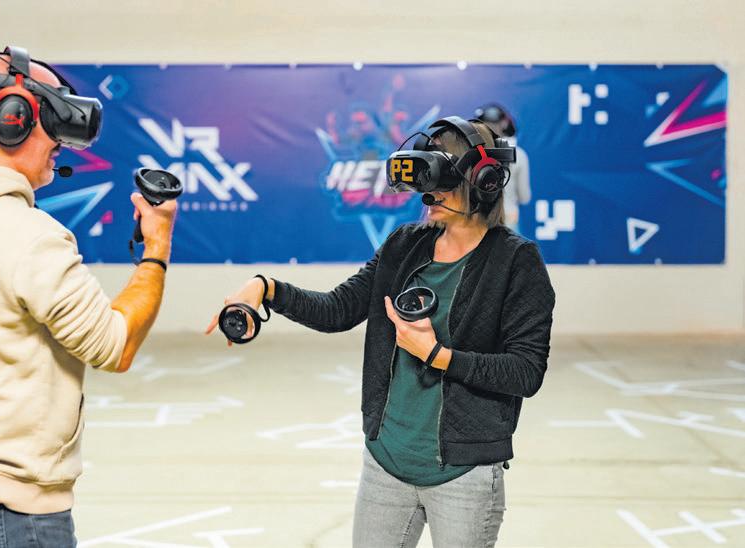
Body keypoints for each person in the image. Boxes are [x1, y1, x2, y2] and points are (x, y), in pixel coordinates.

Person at [207, 117, 554, 547]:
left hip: (464, 476)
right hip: (385, 465)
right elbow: (337, 309)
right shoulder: (404, 245)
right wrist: (267, 288)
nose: (428, 196)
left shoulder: (517, 262)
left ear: (483, 181)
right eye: (424, 183)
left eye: (441, 185)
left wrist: (438, 355)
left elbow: (525, 372)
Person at [0, 47, 177, 547]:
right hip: (5, 508)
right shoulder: (27, 235)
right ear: (13, 118)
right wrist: (157, 248)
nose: (59, 141)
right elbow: (115, 346)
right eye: (49, 117)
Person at [476, 103, 531, 234]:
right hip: (508, 222)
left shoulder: (472, 153)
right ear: (504, 124)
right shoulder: (519, 154)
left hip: (478, 223)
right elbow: (525, 197)